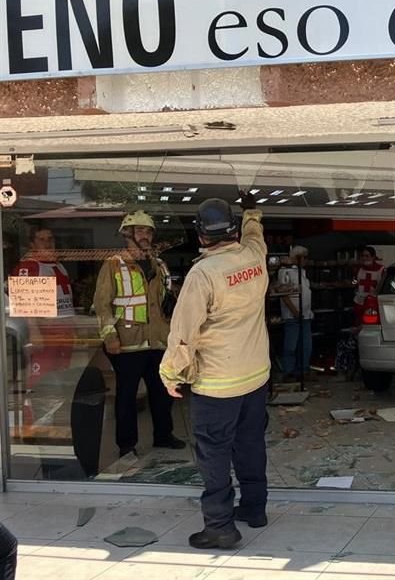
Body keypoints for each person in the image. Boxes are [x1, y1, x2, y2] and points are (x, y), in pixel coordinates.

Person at [159, 193, 270, 550]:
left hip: (217, 383)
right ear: (233, 229)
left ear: (200, 234)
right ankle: (254, 508)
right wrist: (251, 211)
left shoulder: (203, 274)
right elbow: (256, 236)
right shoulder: (254, 256)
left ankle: (220, 526)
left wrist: (170, 373)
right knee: (250, 443)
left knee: (214, 454)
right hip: (255, 375)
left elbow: (183, 333)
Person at [93, 211, 185, 458]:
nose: (146, 235)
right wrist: (109, 336)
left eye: (149, 231)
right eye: (140, 230)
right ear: (127, 234)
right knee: (126, 397)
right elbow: (102, 304)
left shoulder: (159, 264)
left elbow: (167, 301)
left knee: (162, 394)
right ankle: (127, 445)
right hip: (127, 344)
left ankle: (163, 436)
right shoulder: (113, 264)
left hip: (158, 341)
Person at [12, 227, 76, 423]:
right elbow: (25, 303)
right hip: (45, 333)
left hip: (64, 332)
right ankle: (33, 423)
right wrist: (34, 332)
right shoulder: (29, 266)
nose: (48, 243)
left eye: (51, 238)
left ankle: (53, 420)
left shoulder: (58, 266)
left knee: (60, 379)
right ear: (32, 244)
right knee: (40, 379)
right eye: (42, 239)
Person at [276, 245, 313, 380]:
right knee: (291, 345)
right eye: (304, 258)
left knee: (305, 345)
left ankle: (303, 370)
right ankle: (289, 371)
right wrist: (294, 311)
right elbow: (283, 293)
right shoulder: (285, 271)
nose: (306, 260)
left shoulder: (301, 272)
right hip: (293, 315)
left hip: (306, 314)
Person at [353, 245, 383, 324]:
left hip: (372, 303)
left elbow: (382, 286)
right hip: (359, 302)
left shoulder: (381, 269)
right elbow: (355, 281)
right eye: (363, 256)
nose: (364, 258)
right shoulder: (358, 269)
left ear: (373, 257)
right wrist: (353, 283)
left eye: (367, 256)